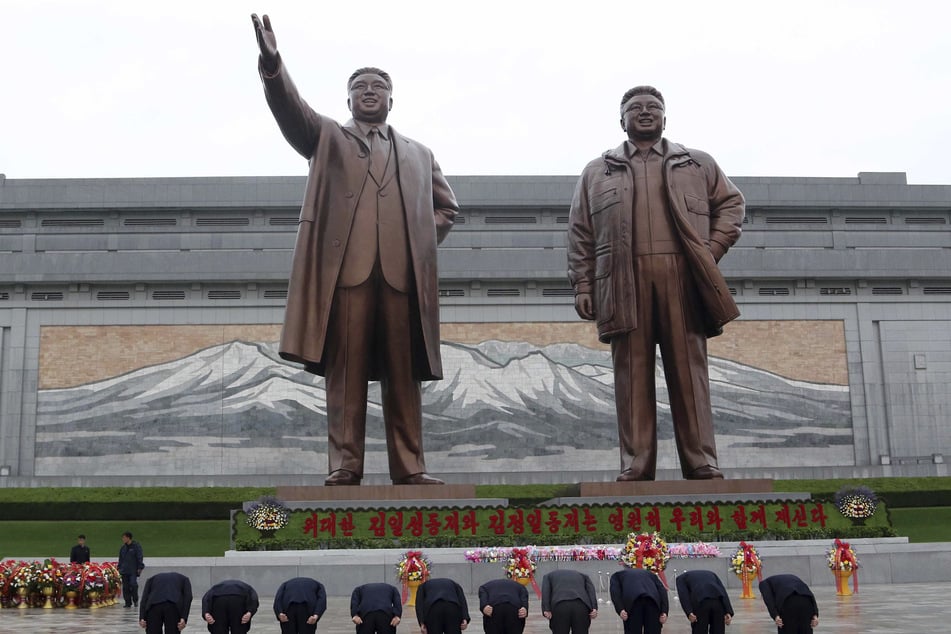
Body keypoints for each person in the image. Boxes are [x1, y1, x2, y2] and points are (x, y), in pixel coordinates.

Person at [250, 13, 459, 486]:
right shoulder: (327, 137)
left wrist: (420, 243)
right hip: (347, 277)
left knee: (403, 378)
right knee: (345, 376)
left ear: (391, 98)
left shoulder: (418, 154)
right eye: (360, 86)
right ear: (348, 98)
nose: (369, 91)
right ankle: (345, 465)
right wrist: (272, 65)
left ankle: (411, 468)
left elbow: (448, 209)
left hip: (401, 280)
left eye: (378, 86)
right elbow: (290, 110)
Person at [567, 85, 745, 481]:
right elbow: (580, 231)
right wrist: (583, 285)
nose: (645, 112)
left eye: (653, 107)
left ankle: (701, 460)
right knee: (631, 375)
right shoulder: (598, 171)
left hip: (682, 277)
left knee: (689, 371)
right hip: (623, 280)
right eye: (635, 108)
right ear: (622, 120)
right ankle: (636, 463)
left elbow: (732, 204)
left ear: (666, 117)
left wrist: (710, 251)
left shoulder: (697, 163)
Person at [609, 568, 667, 634]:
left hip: (633, 603)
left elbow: (615, 593)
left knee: (633, 630)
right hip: (653, 602)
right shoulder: (650, 574)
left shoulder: (616, 576)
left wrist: (620, 610)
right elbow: (662, 590)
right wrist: (664, 611)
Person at [675, 570, 733, 634]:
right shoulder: (712, 574)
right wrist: (728, 611)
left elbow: (684, 595)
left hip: (701, 603)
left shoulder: (680, 579)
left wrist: (689, 612)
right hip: (718, 603)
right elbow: (723, 591)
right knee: (718, 630)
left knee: (700, 629)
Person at [540, 569, 598, 634]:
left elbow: (545, 592)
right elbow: (591, 590)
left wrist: (546, 609)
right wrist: (594, 608)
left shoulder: (548, 576)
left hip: (560, 606)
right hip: (581, 606)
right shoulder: (583, 575)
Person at [119, 531, 145, 608]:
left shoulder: (136, 546)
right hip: (124, 571)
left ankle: (135, 600)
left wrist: (140, 567)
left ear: (128, 538)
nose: (123, 539)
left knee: (133, 585)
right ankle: (128, 602)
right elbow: (120, 559)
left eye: (124, 537)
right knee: (125, 587)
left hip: (133, 570)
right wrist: (119, 568)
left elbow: (139, 557)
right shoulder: (123, 548)